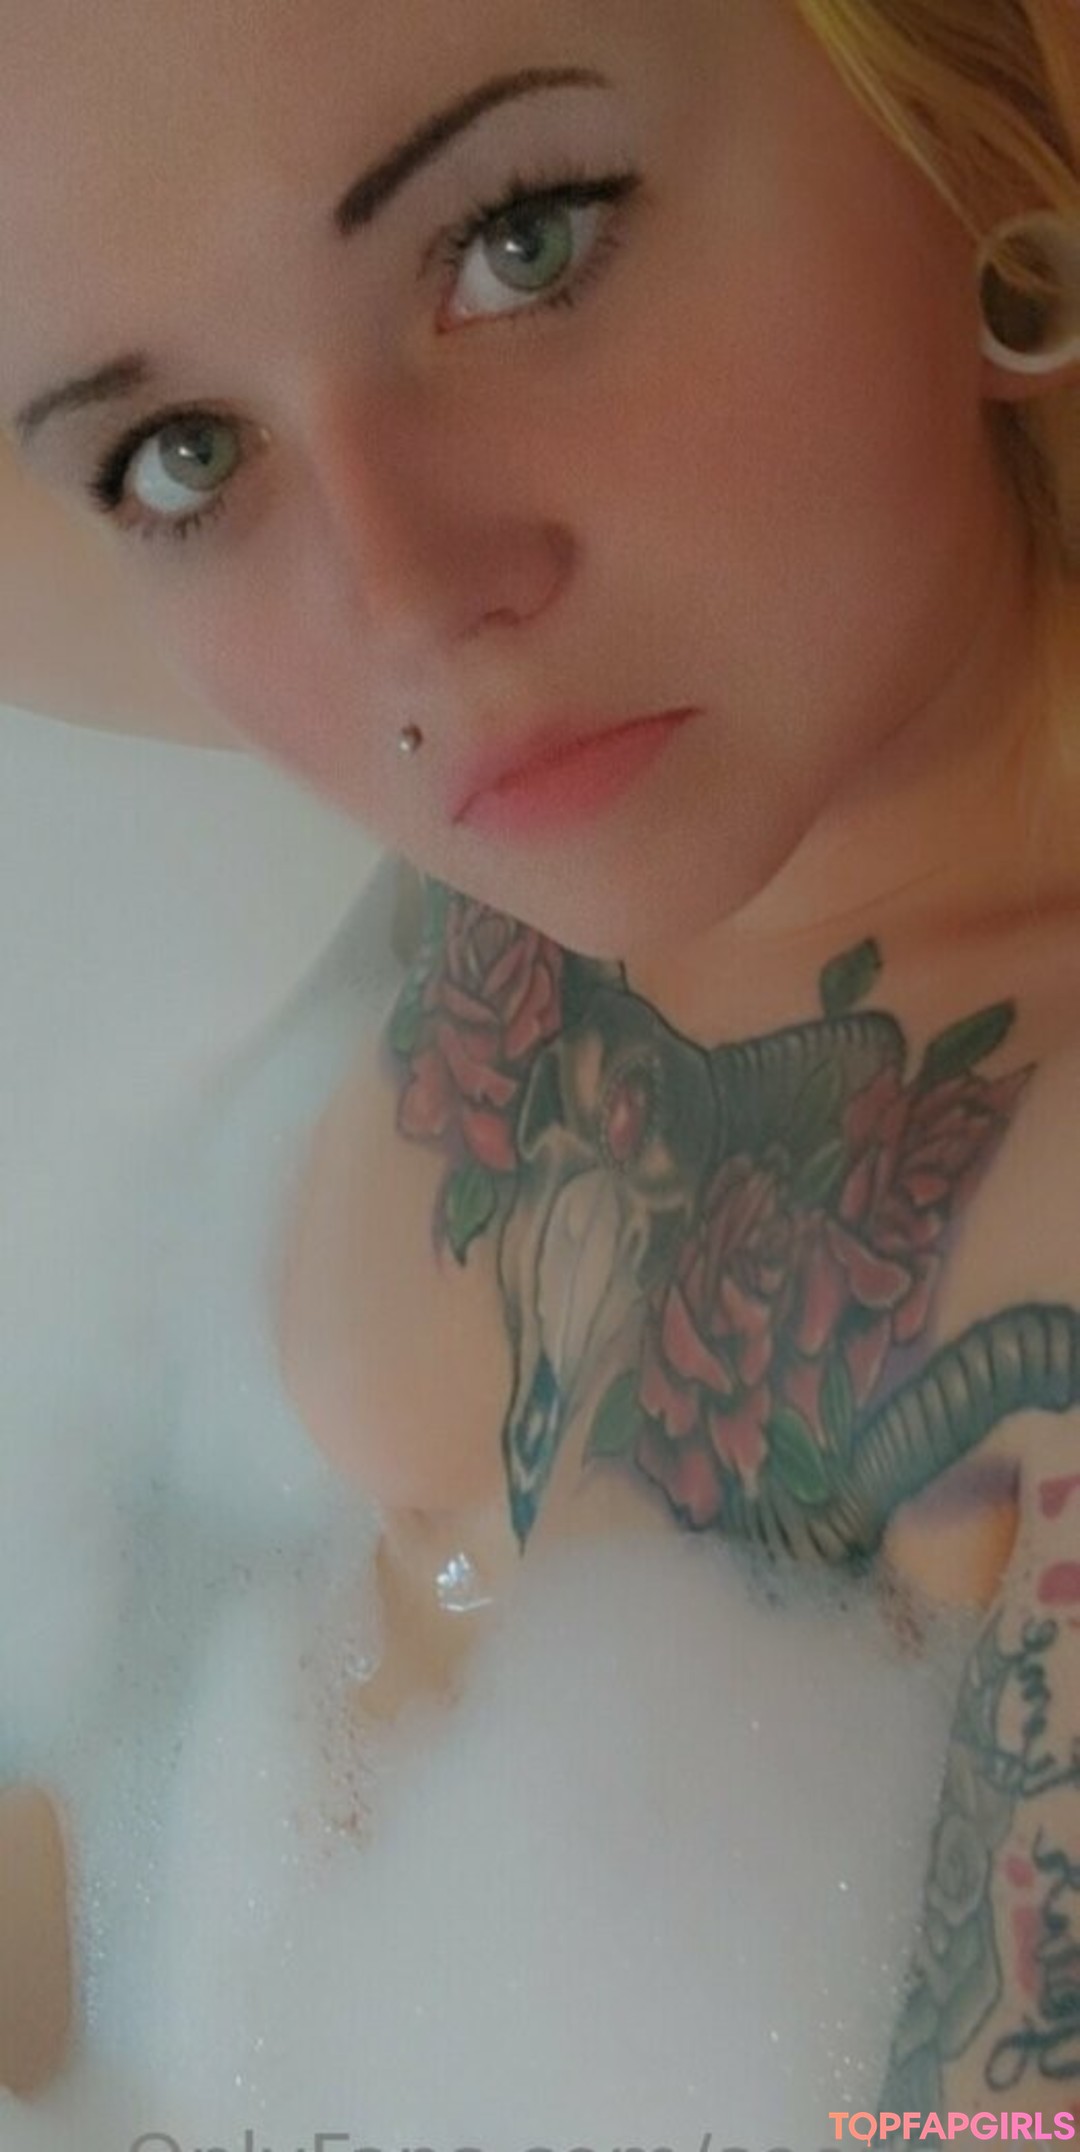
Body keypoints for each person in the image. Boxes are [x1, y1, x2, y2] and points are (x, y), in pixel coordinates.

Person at [0, 0, 1079, 2125]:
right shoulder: (561, 752)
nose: (401, 603)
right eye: (186, 453)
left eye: (524, 244)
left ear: (965, 113)